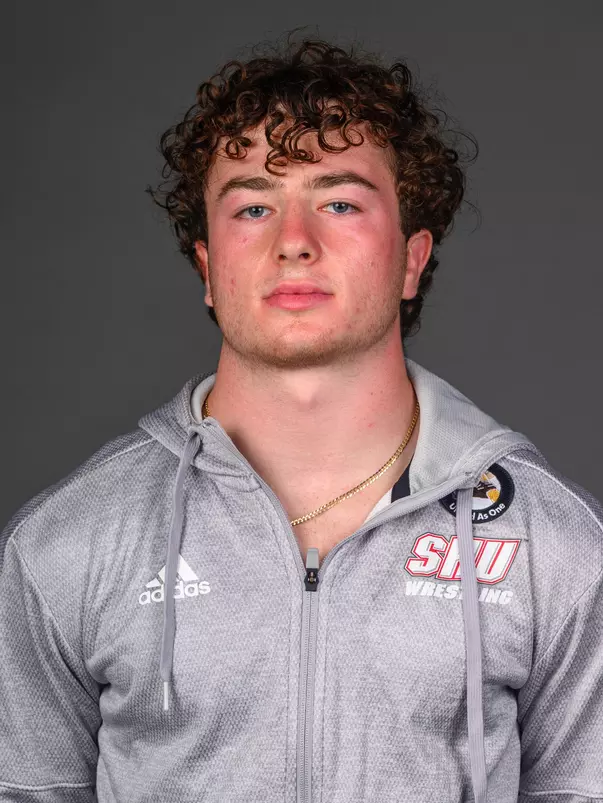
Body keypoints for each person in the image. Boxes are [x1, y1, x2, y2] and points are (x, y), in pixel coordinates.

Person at [1, 35, 602, 803]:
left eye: (339, 203)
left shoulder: (553, 544)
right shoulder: (68, 542)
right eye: (253, 206)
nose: (293, 242)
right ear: (208, 267)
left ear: (411, 259)